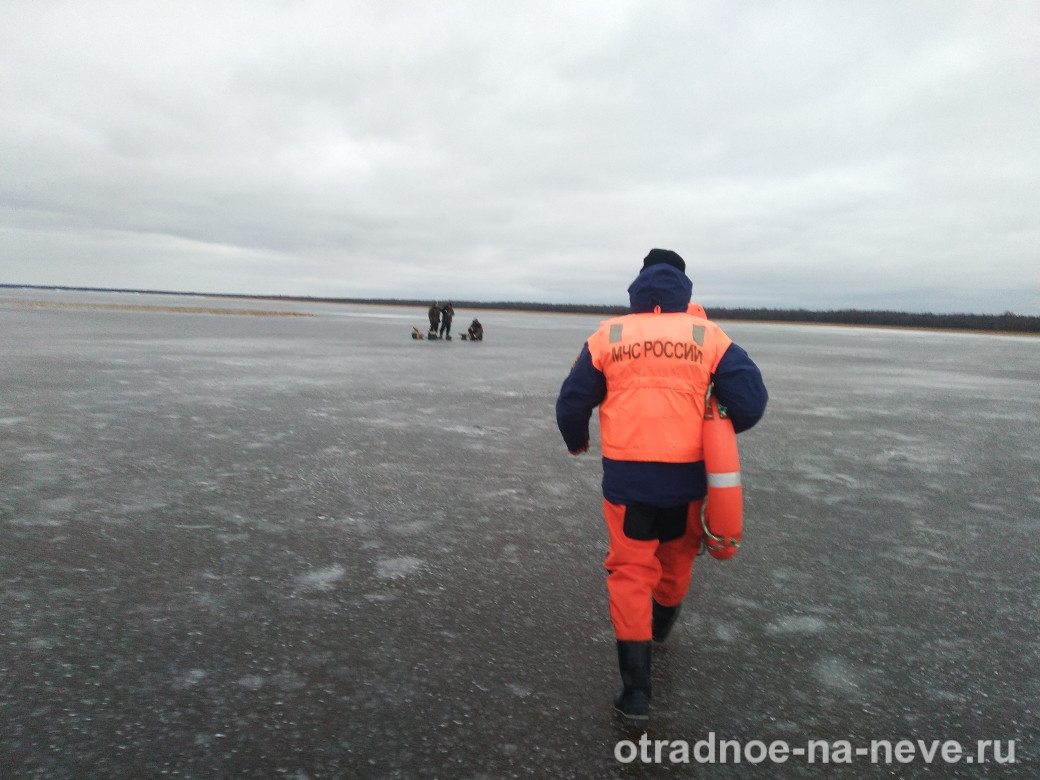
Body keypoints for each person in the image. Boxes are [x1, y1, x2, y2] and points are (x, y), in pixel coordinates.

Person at [555, 249, 767, 727]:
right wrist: (718, 427)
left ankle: (635, 693)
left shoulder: (607, 335)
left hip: (628, 484)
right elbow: (751, 402)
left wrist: (577, 442)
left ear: (639, 284)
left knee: (631, 573)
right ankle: (662, 628)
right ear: (683, 288)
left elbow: (571, 401)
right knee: (675, 560)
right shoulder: (706, 336)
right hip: (687, 482)